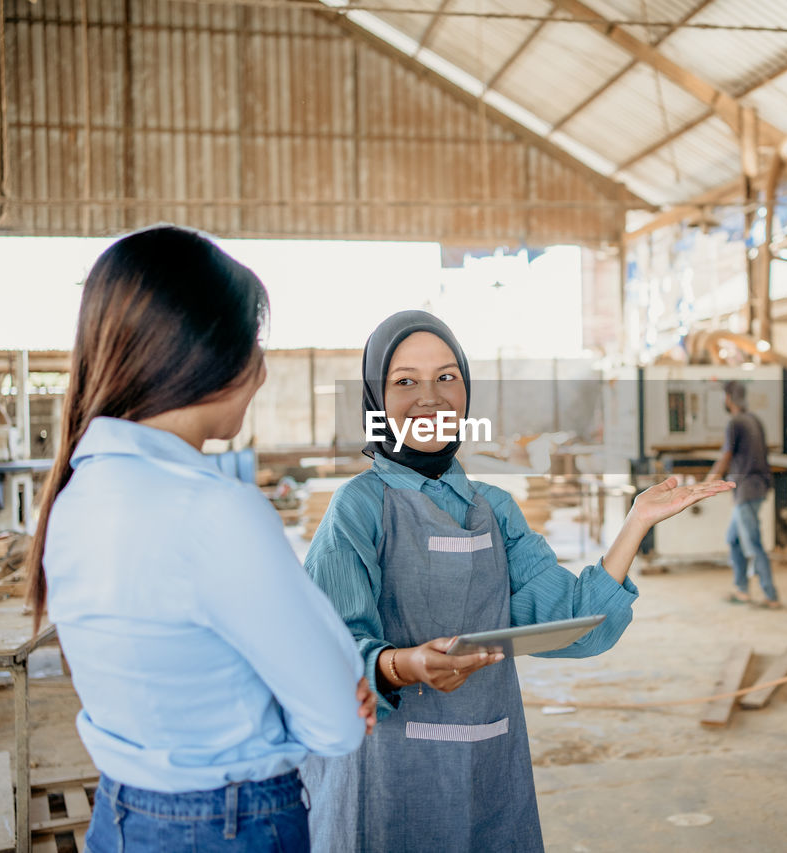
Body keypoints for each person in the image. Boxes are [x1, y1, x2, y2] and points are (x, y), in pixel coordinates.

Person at [302, 310, 734, 852]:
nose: (430, 396)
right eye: (405, 381)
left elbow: (577, 626)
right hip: (387, 773)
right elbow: (324, 652)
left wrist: (636, 522)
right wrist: (402, 665)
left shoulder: (494, 509)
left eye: (446, 377)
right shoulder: (357, 508)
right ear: (375, 400)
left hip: (488, 761)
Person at [25, 225, 376, 852]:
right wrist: (316, 700)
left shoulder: (74, 500)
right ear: (209, 352)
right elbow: (340, 723)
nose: (263, 369)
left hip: (120, 817)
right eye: (256, 345)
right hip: (231, 827)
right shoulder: (218, 512)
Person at [707, 379, 779, 608]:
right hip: (756, 486)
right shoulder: (755, 420)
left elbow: (726, 456)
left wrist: (708, 481)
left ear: (728, 398)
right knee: (734, 539)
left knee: (753, 544)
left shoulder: (735, 423)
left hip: (747, 490)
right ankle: (742, 590)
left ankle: (771, 596)